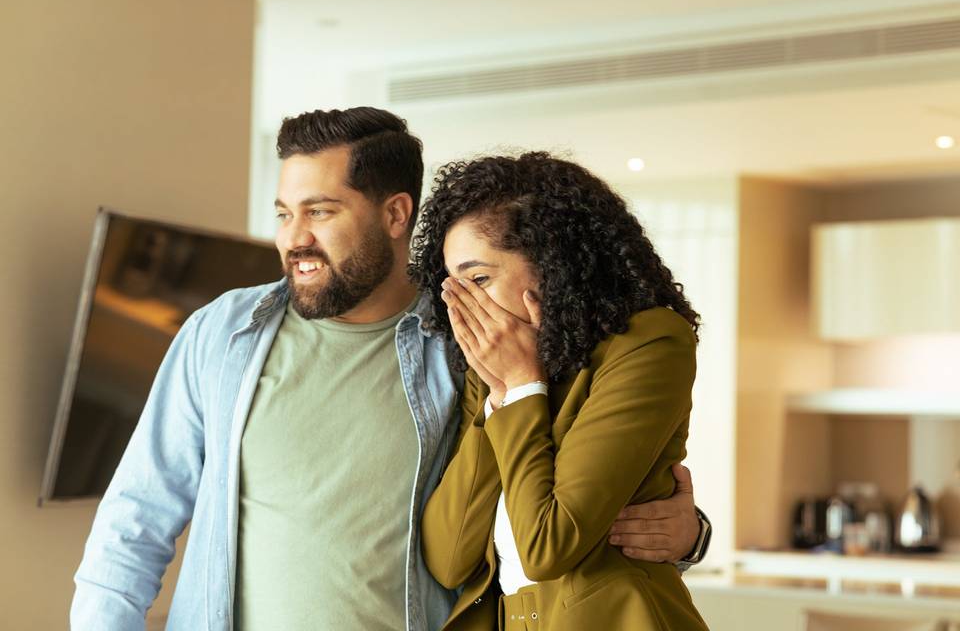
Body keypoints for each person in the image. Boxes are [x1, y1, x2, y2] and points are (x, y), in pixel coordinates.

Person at [71, 108, 708, 631]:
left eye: (319, 212)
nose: (294, 238)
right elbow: (135, 521)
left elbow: (555, 492)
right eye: (283, 213)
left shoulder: (466, 339)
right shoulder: (223, 334)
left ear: (396, 214)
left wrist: (687, 535)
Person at [410, 151, 710, 630]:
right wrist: (503, 393)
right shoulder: (489, 373)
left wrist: (525, 388)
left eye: (480, 279)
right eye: (455, 287)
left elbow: (547, 546)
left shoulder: (649, 342)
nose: (463, 307)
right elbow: (449, 557)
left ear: (553, 266)